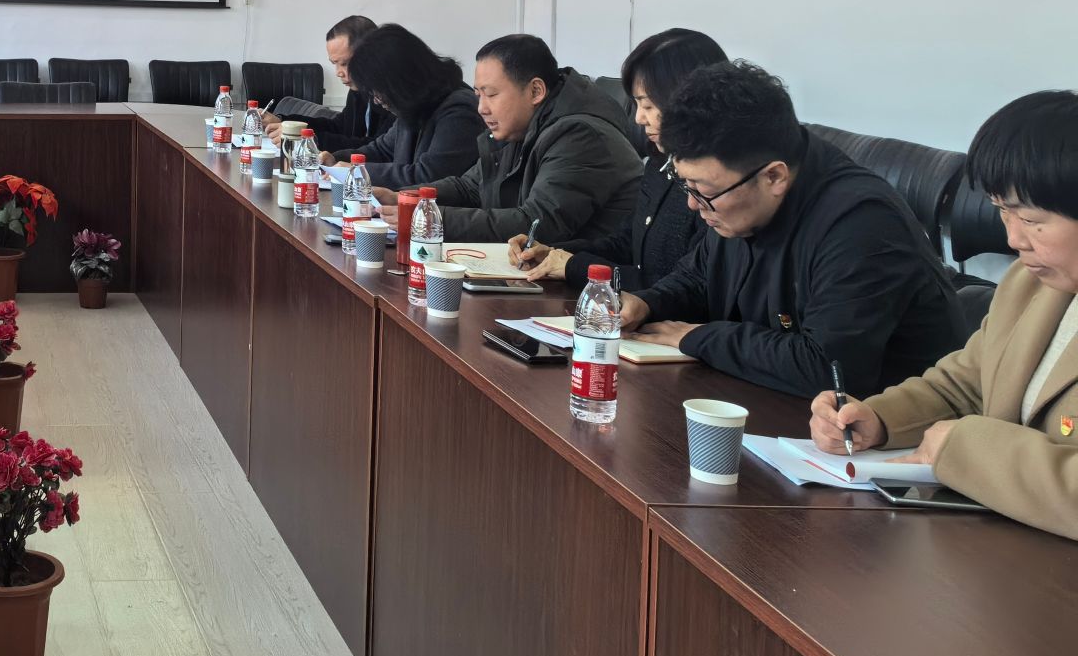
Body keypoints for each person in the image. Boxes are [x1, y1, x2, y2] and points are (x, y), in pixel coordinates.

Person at [812, 91, 1078, 539]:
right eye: (1002, 211)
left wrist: (965, 449)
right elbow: (966, 383)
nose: (1014, 239)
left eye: (1032, 220)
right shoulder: (1029, 284)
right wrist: (878, 420)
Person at [620, 62, 964, 398]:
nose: (693, 205)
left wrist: (700, 337)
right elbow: (700, 278)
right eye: (687, 185)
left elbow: (827, 369)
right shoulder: (739, 193)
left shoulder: (862, 225)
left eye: (703, 190)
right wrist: (647, 303)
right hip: (774, 402)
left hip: (881, 425)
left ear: (774, 177)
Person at [509, 28, 727, 288]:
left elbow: (686, 288)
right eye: (636, 105)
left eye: (648, 105)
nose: (639, 118)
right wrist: (554, 253)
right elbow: (625, 243)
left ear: (690, 100)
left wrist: (574, 266)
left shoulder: (720, 183)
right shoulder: (659, 162)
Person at [403, 34, 640, 246]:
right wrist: (404, 198)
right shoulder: (520, 126)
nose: (481, 108)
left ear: (536, 91)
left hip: (586, 275)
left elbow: (537, 225)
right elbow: (470, 188)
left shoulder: (581, 136)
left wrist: (428, 217)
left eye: (491, 94)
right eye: (478, 95)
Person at [337, 24, 484, 188]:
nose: (376, 100)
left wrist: (357, 171)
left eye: (378, 90)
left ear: (400, 80)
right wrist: (335, 160)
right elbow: (382, 150)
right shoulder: (416, 104)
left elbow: (428, 177)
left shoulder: (460, 110)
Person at [261, 14, 384, 154]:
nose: (338, 72)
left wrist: (310, 140)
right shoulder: (358, 90)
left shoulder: (391, 97)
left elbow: (379, 149)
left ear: (369, 55)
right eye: (335, 63)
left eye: (344, 63)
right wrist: (285, 122)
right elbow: (338, 127)